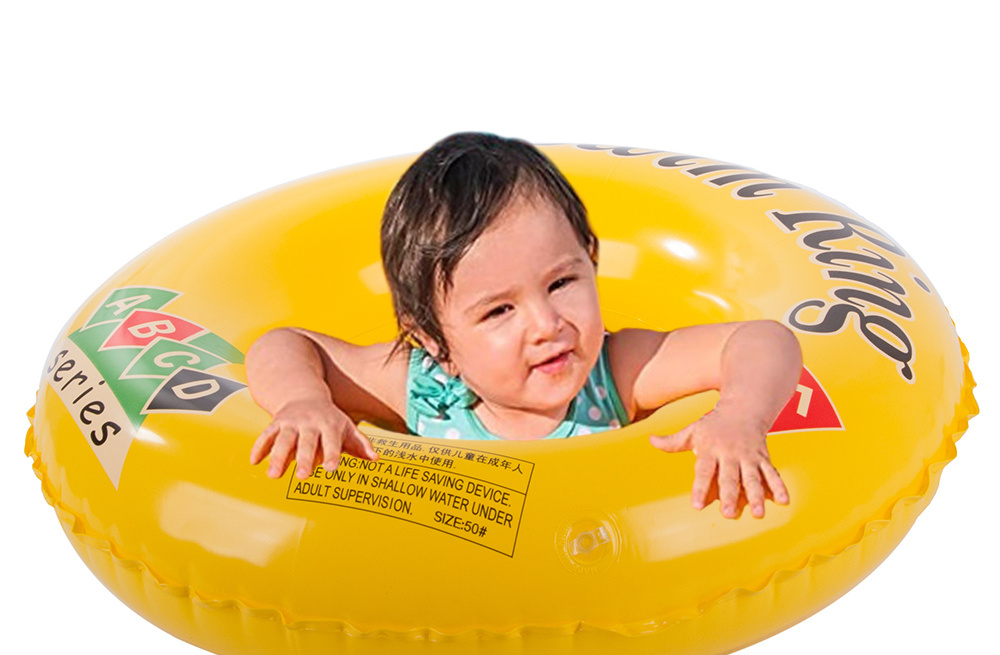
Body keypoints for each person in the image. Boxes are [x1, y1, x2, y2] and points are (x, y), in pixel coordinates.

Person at [246, 132, 802, 519]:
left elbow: (760, 339)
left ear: (591, 259)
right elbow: (285, 344)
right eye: (499, 311)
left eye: (561, 282)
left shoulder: (616, 375)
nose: (546, 325)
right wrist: (303, 402)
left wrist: (740, 415)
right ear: (436, 343)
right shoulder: (422, 389)